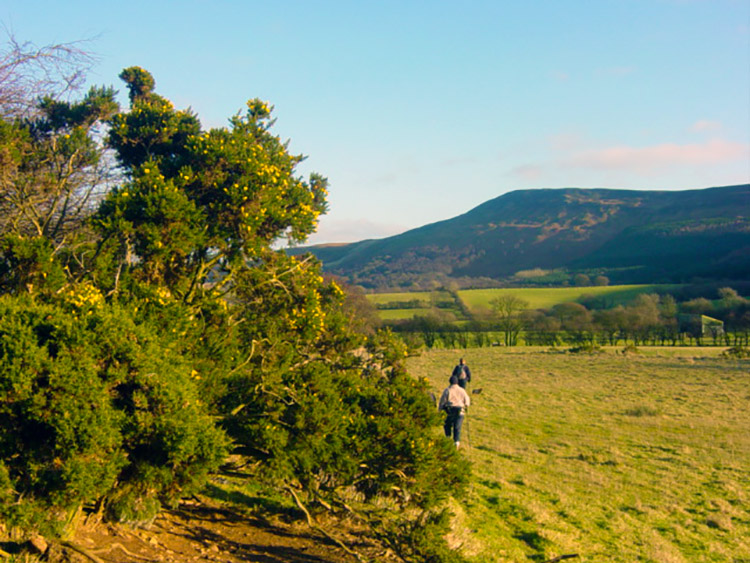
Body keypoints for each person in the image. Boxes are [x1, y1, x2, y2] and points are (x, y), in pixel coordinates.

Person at [438, 375, 471, 449]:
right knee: (457, 427)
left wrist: (440, 410)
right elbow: (467, 401)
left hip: (449, 411)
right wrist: (466, 406)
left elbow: (442, 402)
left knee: (447, 425)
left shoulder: (447, 390)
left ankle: (448, 439)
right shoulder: (462, 390)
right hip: (460, 411)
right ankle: (456, 442)